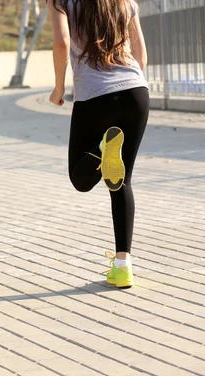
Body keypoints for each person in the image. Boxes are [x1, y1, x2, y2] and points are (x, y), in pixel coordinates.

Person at [47, 0, 149, 288]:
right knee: (121, 181)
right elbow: (141, 54)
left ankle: (105, 149)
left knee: (80, 178)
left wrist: (59, 87)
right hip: (136, 93)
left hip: (94, 96)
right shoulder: (124, 0)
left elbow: (61, 41)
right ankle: (123, 267)